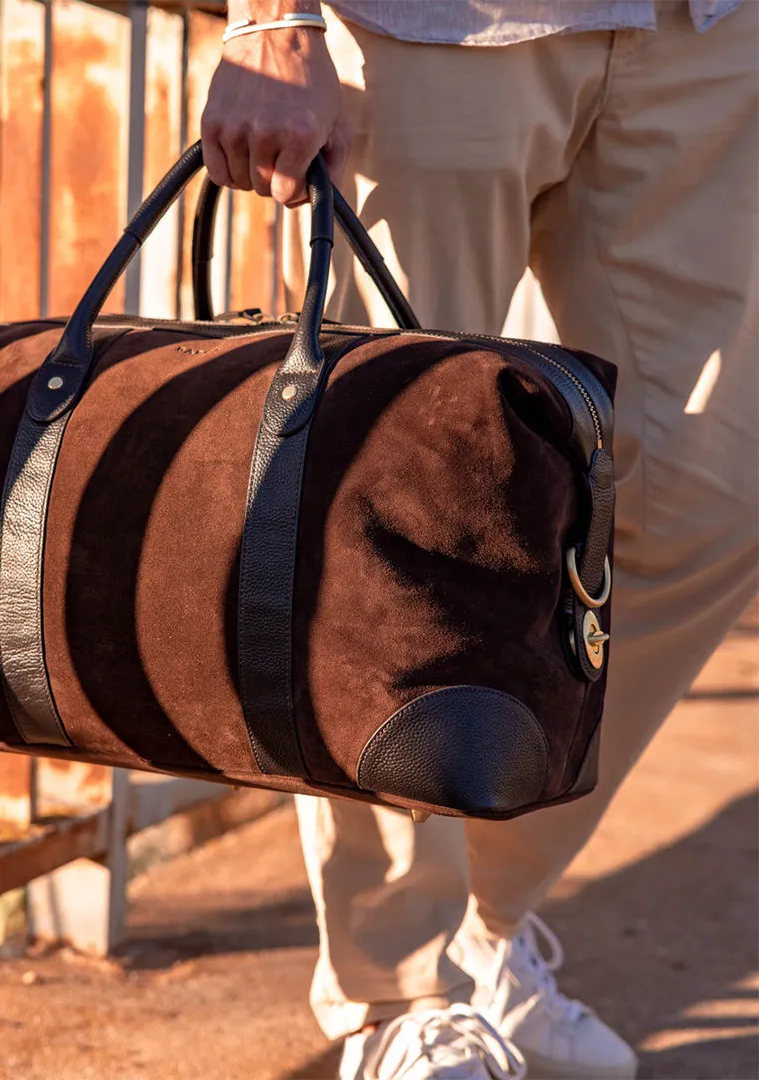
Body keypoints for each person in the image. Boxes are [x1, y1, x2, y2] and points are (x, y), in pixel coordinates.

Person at [201, 2, 759, 1078]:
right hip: (432, 32)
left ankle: (479, 916)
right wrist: (268, 16)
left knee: (709, 492)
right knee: (390, 511)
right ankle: (396, 991)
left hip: (704, 34)